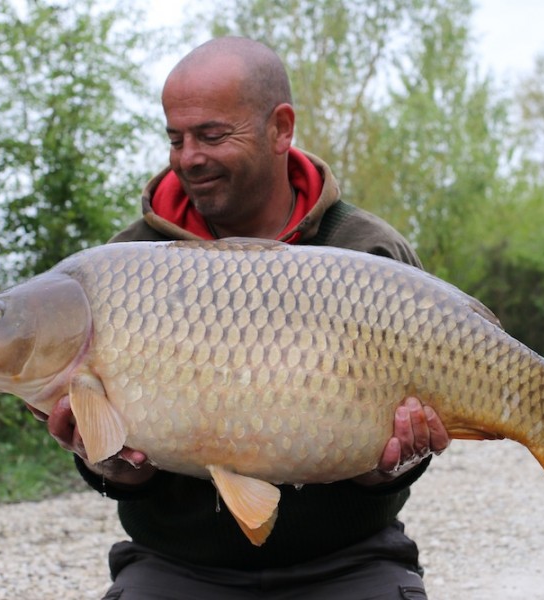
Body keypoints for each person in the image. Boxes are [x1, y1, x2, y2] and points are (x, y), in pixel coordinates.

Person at [45, 37, 450, 600]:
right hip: (177, 565)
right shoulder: (124, 265)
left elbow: (404, 461)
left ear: (280, 129)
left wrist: (387, 467)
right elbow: (116, 471)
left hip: (348, 561)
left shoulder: (368, 252)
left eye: (211, 135)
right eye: (175, 138)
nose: (189, 157)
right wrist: (114, 470)